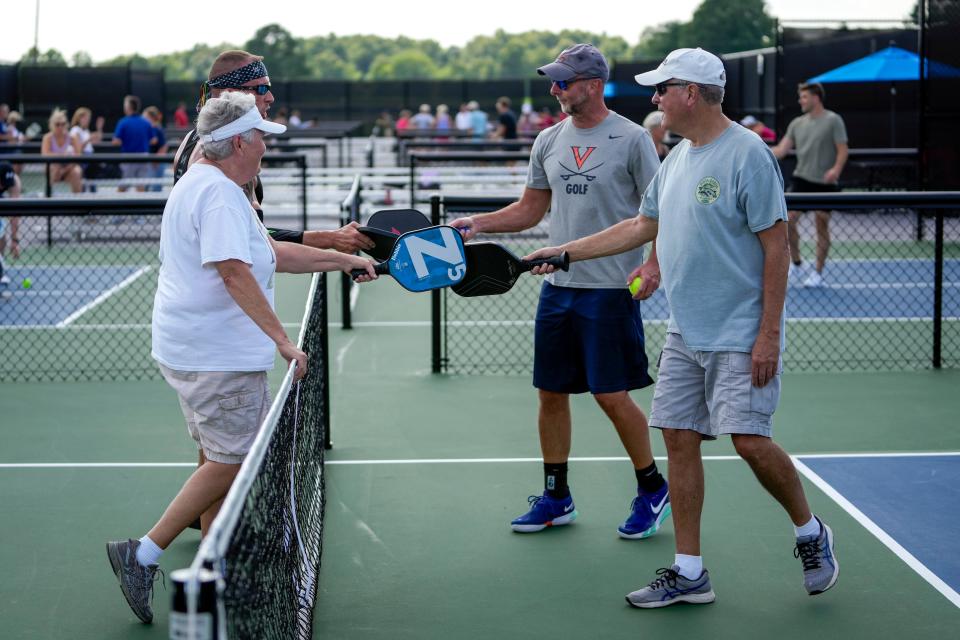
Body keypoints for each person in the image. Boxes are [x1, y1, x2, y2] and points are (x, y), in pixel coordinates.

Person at [525, 47, 839, 607]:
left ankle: (810, 531)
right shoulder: (676, 159)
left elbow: (776, 250)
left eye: (662, 89)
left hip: (741, 333)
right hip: (683, 332)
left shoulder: (747, 155)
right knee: (678, 439)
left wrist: (768, 334)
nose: (655, 99)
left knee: (749, 441)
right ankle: (689, 570)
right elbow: (642, 224)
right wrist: (566, 252)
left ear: (690, 93)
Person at [105, 92, 377, 624]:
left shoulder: (214, 185)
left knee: (223, 457)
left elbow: (271, 254)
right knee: (234, 461)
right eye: (259, 141)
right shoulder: (220, 196)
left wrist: (342, 259)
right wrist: (282, 340)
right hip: (215, 357)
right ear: (237, 143)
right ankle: (142, 554)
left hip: (198, 351)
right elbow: (234, 272)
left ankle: (212, 561)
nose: (264, 152)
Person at [449, 44, 669, 540]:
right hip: (557, 286)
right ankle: (556, 496)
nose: (554, 89)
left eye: (563, 82)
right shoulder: (547, 140)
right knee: (550, 394)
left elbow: (658, 216)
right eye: (554, 81)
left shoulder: (633, 140)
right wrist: (477, 224)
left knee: (611, 396)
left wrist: (653, 264)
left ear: (592, 84)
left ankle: (652, 487)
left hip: (611, 288)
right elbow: (529, 211)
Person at [173, 49, 373, 254]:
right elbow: (258, 243)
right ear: (231, 93)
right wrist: (331, 240)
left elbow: (251, 236)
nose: (270, 97)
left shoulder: (192, 140)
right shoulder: (224, 156)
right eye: (260, 88)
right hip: (219, 282)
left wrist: (333, 239)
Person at [772, 83, 848, 288]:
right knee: (787, 221)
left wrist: (835, 171)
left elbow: (843, 150)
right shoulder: (797, 123)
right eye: (800, 97)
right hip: (801, 180)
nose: (800, 101)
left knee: (821, 225)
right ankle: (796, 265)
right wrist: (758, 151)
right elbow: (781, 149)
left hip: (825, 183)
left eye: (804, 97)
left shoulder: (833, 120)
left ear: (816, 98)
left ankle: (817, 273)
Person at [113, 95, 155, 192]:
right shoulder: (146, 122)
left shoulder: (123, 122)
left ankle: (116, 206)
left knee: (123, 186)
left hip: (128, 158)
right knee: (141, 186)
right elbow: (153, 140)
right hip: (143, 157)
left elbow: (116, 141)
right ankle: (140, 207)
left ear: (128, 107)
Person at [41, 109, 83, 194]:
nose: (60, 127)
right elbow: (45, 154)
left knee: (77, 172)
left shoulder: (73, 138)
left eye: (63, 124)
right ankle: (49, 197)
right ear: (52, 125)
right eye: (57, 124)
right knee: (54, 168)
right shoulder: (47, 138)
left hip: (69, 167)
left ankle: (78, 202)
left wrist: (66, 168)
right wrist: (62, 156)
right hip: (53, 167)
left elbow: (78, 155)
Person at [0, 161, 21, 299]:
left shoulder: (14, 182)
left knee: (1, 236)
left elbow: (15, 211)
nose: (2, 186)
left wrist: (15, 240)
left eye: (4, 184)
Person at [143, 106, 168, 192]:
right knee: (146, 186)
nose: (143, 119)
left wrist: (156, 160)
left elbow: (163, 146)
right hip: (152, 162)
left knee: (156, 188)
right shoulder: (151, 128)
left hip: (156, 163)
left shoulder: (156, 128)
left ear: (151, 117)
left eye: (145, 117)